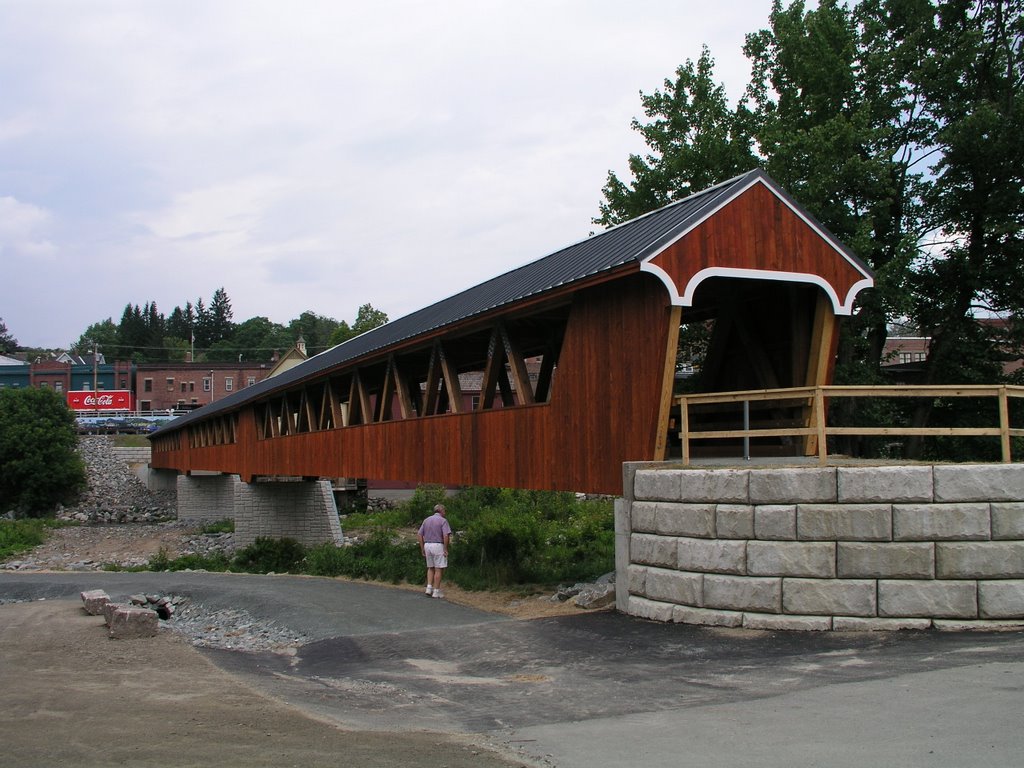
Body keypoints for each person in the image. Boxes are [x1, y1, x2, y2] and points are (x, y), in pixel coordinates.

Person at [417, 503, 452, 599]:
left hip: (427, 545)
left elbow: (419, 534)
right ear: (441, 511)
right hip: (438, 545)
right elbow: (446, 535)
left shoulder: (426, 520)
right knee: (438, 569)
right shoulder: (443, 521)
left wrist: (422, 547)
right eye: (444, 510)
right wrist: (445, 548)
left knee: (430, 567)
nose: (445, 512)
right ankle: (436, 591)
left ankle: (429, 587)